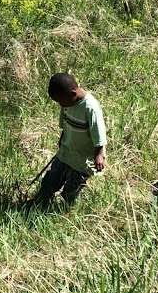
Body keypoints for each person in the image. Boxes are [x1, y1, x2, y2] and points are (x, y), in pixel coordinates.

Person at [33, 73, 107, 207]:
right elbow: (65, 124)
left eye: (60, 101)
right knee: (51, 181)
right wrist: (62, 139)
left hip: (83, 159)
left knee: (71, 189)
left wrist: (99, 155)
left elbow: (99, 133)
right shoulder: (67, 102)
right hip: (66, 152)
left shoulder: (90, 108)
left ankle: (66, 209)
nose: (60, 105)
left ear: (72, 94)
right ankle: (40, 203)